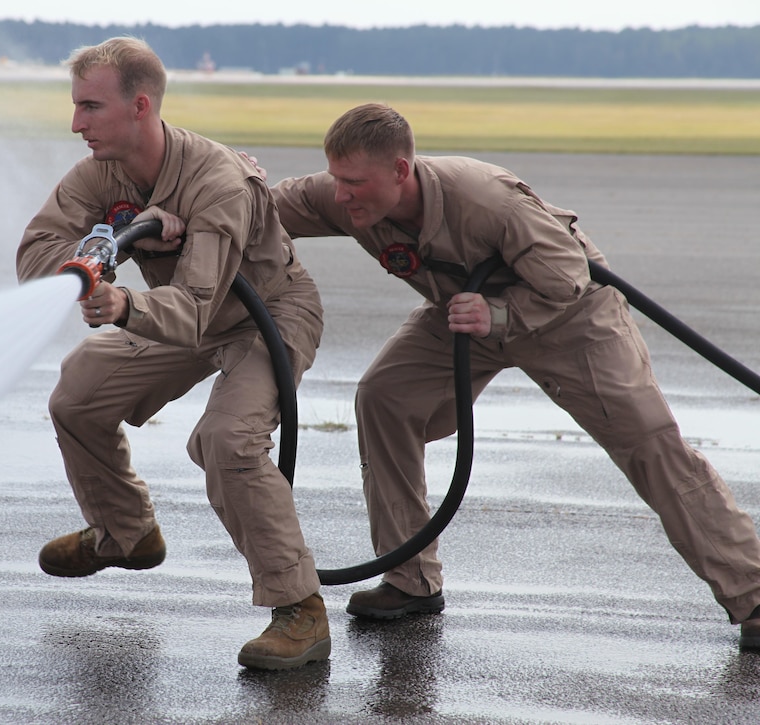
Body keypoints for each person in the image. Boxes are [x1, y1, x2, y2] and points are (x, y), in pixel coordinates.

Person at [268, 102, 760, 648]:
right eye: (336, 179)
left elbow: (569, 278)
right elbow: (250, 206)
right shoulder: (345, 195)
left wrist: (498, 315)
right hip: (463, 316)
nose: (340, 195)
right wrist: (172, 208)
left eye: (354, 182)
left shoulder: (487, 200)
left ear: (401, 171)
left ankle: (753, 592)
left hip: (569, 319)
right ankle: (410, 581)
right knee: (384, 397)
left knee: (651, 446)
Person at [15, 37, 329, 670]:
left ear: (139, 106)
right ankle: (126, 535)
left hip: (266, 313)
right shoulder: (99, 172)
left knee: (227, 439)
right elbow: (36, 256)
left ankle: (300, 611)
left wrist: (125, 304)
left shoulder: (218, 183)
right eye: (76, 106)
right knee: (78, 394)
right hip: (181, 310)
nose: (76, 123)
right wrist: (96, 256)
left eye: (90, 107)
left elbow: (195, 308)